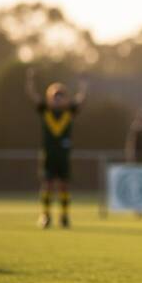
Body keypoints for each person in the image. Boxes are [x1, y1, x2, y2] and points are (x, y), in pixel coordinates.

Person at [26, 68, 87, 229]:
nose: (58, 99)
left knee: (64, 186)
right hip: (49, 155)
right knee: (47, 184)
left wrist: (83, 84)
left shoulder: (69, 111)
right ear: (50, 98)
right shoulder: (46, 110)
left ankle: (64, 216)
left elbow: (81, 98)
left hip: (63, 155)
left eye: (61, 96)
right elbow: (33, 95)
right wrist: (30, 81)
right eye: (55, 96)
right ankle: (45, 215)